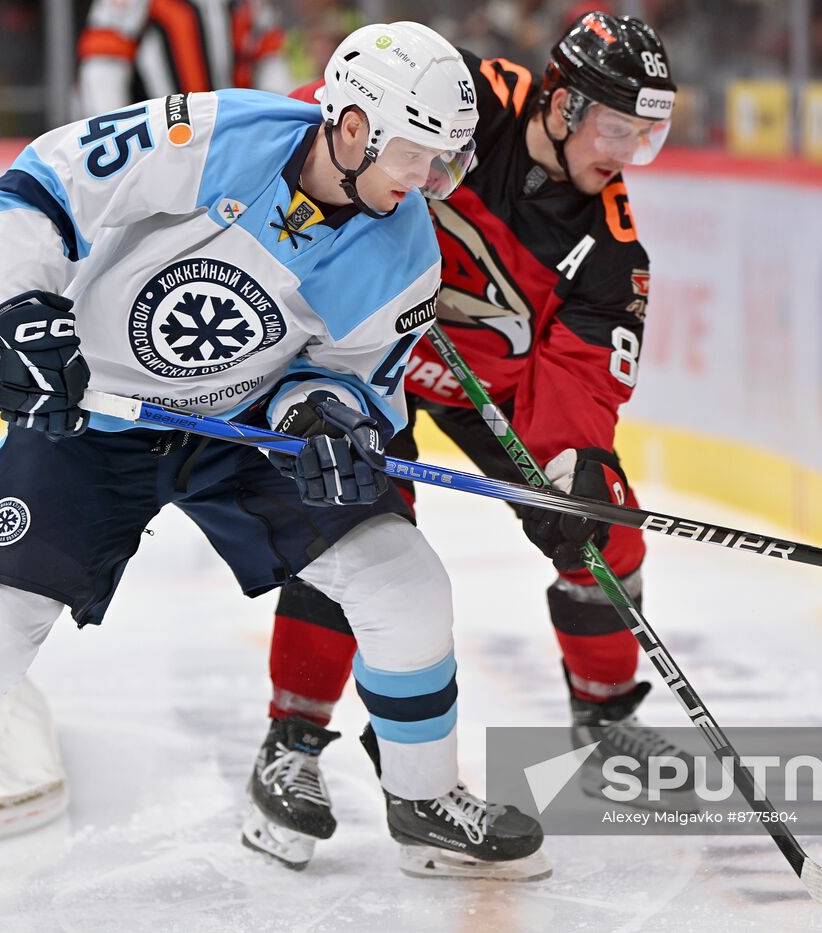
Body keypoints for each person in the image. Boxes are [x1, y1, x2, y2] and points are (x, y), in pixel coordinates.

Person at [0, 20, 548, 925]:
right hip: (94, 411)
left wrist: (325, 414)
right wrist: (26, 310)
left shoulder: (405, 247)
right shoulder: (219, 135)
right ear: (351, 124)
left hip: (243, 426)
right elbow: (36, 187)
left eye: (444, 160)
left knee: (402, 576)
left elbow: (353, 380)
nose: (428, 182)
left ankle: (421, 800)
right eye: (416, 154)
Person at [244, 12, 687, 870]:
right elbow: (328, 127)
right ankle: (291, 741)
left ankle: (605, 715)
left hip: (491, 385)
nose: (628, 152)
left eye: (648, 136)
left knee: (607, 523)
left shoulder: (610, 251)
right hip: (368, 351)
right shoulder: (467, 99)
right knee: (354, 532)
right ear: (561, 106)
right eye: (617, 128)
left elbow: (583, 378)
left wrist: (574, 469)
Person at [77, 0, 290, 115]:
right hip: (161, 139)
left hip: (231, 133)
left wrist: (276, 124)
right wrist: (121, 143)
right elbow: (102, 71)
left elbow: (270, 59)